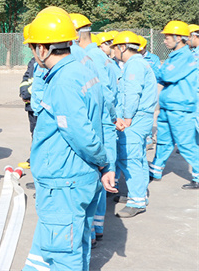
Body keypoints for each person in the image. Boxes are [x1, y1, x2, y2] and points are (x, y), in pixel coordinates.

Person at [21, 12, 115, 271]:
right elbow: (102, 119)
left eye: (32, 48)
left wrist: (103, 161)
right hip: (80, 178)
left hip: (64, 182)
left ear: (43, 48)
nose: (33, 54)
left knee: (63, 254)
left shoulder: (62, 81)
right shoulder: (83, 70)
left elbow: (80, 134)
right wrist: (105, 165)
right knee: (77, 243)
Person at [70, 13, 119, 243]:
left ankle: (93, 230)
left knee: (97, 175)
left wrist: (112, 118)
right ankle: (95, 228)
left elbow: (104, 94)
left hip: (98, 121)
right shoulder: (96, 54)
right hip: (102, 118)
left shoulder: (87, 56)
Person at [110, 32, 158, 217]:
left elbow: (132, 93)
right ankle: (139, 195)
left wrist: (126, 117)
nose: (114, 52)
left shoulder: (134, 65)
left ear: (122, 47)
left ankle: (136, 201)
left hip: (135, 118)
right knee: (138, 157)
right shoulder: (138, 63)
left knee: (129, 158)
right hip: (141, 117)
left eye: (115, 48)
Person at [150, 21, 199, 189]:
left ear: (179, 38)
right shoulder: (175, 56)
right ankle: (155, 171)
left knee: (186, 144)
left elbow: (166, 76)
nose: (165, 41)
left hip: (180, 108)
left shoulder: (185, 57)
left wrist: (160, 70)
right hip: (169, 107)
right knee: (164, 142)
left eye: (167, 37)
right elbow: (163, 74)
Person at [18, 25, 37, 169]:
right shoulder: (33, 61)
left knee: (41, 134)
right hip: (31, 105)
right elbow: (27, 78)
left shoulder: (46, 62)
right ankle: (34, 159)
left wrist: (29, 94)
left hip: (39, 105)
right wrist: (24, 92)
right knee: (35, 132)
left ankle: (37, 161)